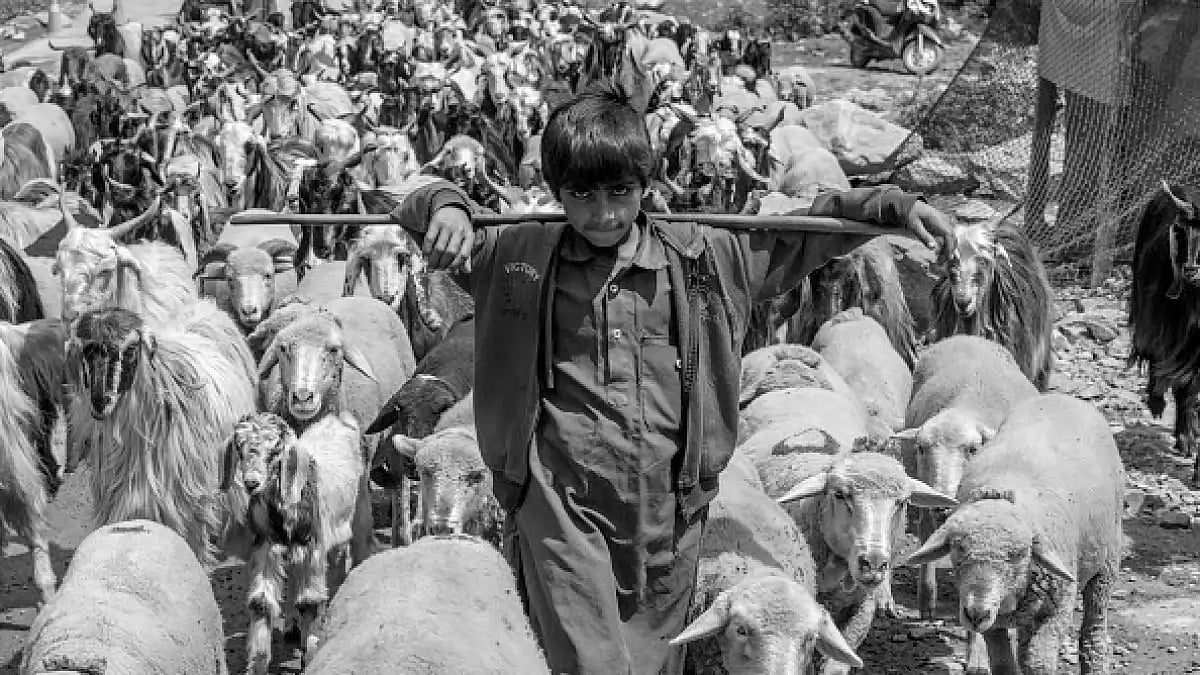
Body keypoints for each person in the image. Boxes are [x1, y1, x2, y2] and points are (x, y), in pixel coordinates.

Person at [386, 87, 954, 675]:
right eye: (580, 195)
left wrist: (893, 207)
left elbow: (807, 228)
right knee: (591, 661)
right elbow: (419, 200)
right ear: (556, 192)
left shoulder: (705, 256)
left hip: (672, 500)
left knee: (657, 660)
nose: (602, 212)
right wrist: (447, 206)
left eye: (619, 192)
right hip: (560, 495)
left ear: (646, 185)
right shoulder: (517, 254)